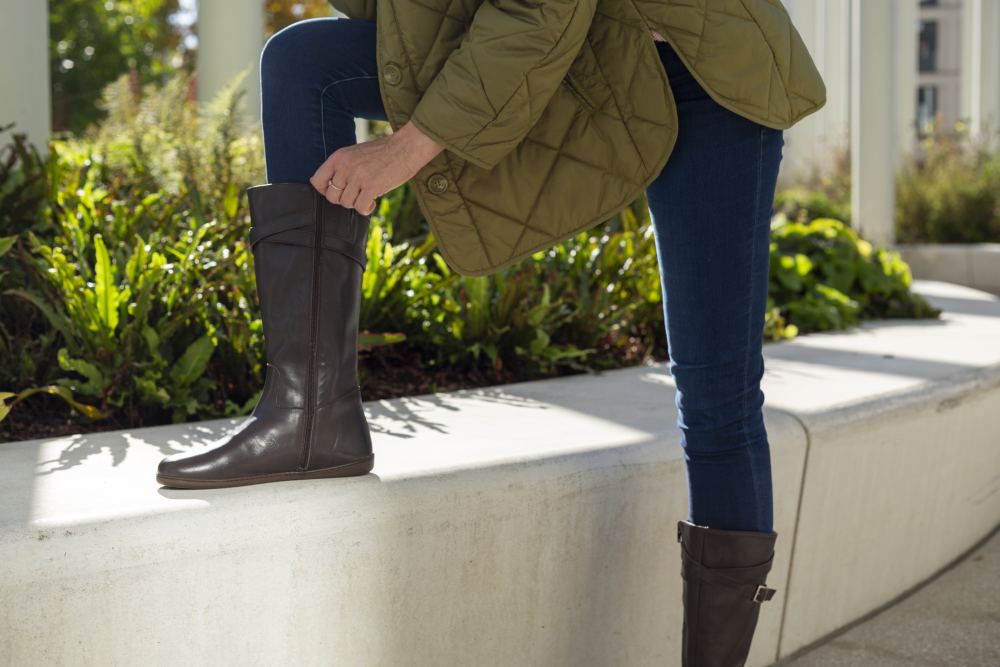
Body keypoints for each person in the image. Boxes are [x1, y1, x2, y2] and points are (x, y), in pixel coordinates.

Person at [158, 4, 825, 665]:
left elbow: (536, 11)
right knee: (306, 64)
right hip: (581, 56)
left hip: (698, 64)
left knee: (716, 393)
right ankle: (309, 418)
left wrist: (403, 150)